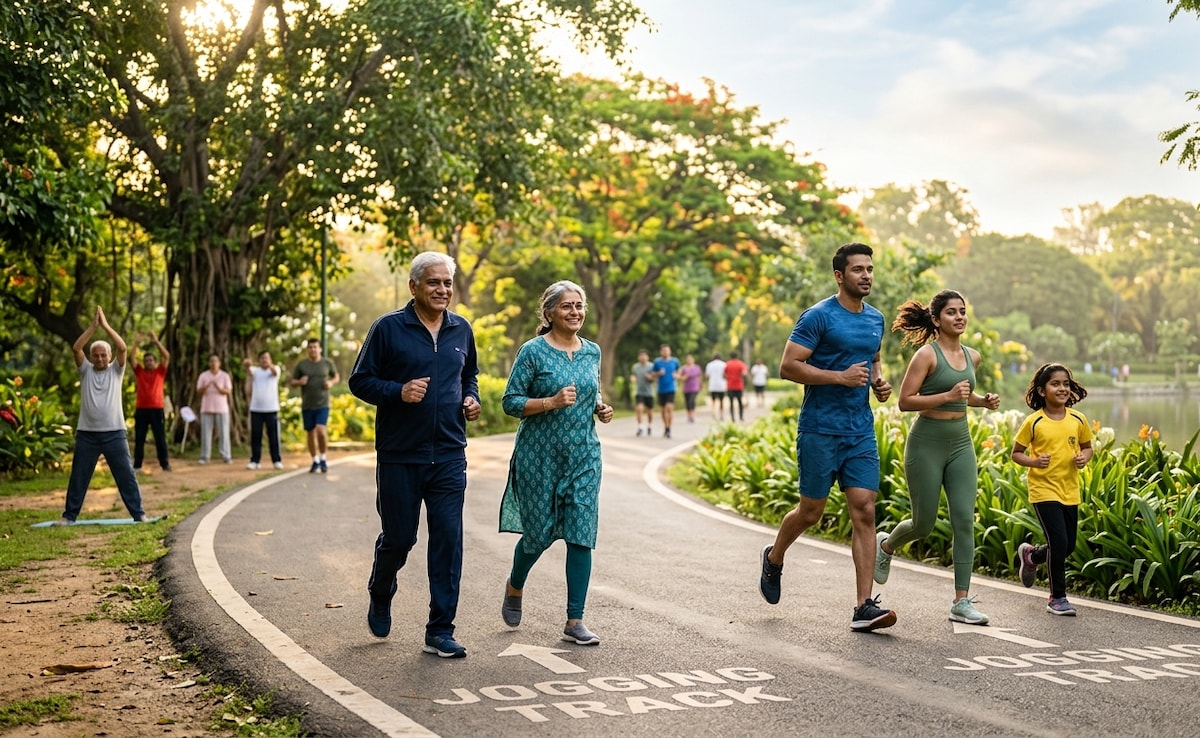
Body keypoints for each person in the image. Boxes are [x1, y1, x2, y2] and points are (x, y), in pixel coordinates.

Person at [347, 251, 481, 659]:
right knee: (401, 538)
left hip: (449, 455)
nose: (442, 290)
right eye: (433, 283)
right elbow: (360, 380)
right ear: (414, 286)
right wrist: (397, 391)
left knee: (447, 541)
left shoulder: (461, 329)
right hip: (400, 454)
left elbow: (468, 374)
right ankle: (381, 586)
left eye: (447, 283)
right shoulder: (388, 328)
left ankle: (440, 629)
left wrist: (472, 397)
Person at [758, 242, 896, 632]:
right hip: (819, 428)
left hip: (859, 431)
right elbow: (788, 366)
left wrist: (878, 383)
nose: (866, 275)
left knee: (865, 509)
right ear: (840, 275)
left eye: (869, 269)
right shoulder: (818, 317)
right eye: (858, 270)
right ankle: (775, 557)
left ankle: (863, 606)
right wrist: (839, 377)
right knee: (811, 512)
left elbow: (873, 358)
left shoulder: (876, 319)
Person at [873, 290, 1001, 625]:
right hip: (926, 443)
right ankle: (886, 546)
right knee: (924, 524)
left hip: (960, 442)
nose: (959, 317)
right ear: (936, 319)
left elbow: (964, 395)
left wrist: (981, 401)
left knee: (963, 520)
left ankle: (961, 601)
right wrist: (947, 395)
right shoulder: (926, 356)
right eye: (951, 313)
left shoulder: (972, 357)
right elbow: (905, 401)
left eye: (962, 312)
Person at [500, 280, 614, 646]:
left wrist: (600, 406)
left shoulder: (592, 352)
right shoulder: (532, 352)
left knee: (581, 534)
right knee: (537, 536)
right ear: (549, 313)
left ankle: (574, 620)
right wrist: (549, 402)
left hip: (583, 456)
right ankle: (515, 585)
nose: (575, 312)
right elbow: (510, 402)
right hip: (539, 458)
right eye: (567, 306)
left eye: (579, 306)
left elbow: (592, 391)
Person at [1011, 363, 1094, 616]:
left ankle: (1032, 556)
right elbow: (1016, 454)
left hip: (1069, 489)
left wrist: (1084, 458)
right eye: (1055, 384)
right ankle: (1057, 597)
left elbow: (1087, 446)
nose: (1062, 388)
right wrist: (1034, 462)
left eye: (1066, 384)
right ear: (1042, 390)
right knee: (1058, 541)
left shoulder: (1078, 419)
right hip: (1043, 490)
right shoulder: (1033, 422)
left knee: (1067, 546)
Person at [57, 306, 148, 524]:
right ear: (91, 357)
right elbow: (76, 348)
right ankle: (69, 516)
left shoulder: (116, 371)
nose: (99, 359)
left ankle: (139, 514)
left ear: (109, 357)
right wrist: (93, 327)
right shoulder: (85, 370)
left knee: (126, 475)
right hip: (87, 434)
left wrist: (106, 326)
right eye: (95, 355)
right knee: (79, 476)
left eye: (103, 355)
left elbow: (123, 348)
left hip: (115, 433)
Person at [289, 337, 340, 473]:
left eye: (315, 347)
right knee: (310, 433)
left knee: (320, 430)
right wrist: (300, 382)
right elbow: (292, 382)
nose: (313, 349)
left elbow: (336, 376)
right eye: (310, 347)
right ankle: (315, 460)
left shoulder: (327, 363)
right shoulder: (302, 365)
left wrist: (331, 383)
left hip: (323, 403)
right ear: (308, 350)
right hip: (307, 404)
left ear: (320, 349)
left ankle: (323, 458)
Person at [131, 332, 172, 473]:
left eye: (151, 360)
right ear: (144, 362)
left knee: (160, 438)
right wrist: (136, 343)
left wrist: (156, 342)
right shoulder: (140, 372)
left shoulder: (160, 372)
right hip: (141, 409)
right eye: (146, 360)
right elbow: (131, 358)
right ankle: (137, 465)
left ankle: (165, 464)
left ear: (155, 362)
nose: (149, 362)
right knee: (139, 438)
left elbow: (166, 356)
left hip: (156, 409)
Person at [243, 351, 284, 470]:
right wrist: (247, 365)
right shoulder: (256, 371)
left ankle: (276, 460)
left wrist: (269, 365)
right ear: (258, 360)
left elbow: (275, 372)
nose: (264, 360)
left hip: (271, 409)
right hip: (256, 409)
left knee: (273, 436)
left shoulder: (275, 369)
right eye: (262, 358)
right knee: (256, 435)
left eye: (266, 358)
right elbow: (249, 370)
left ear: (270, 359)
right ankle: (255, 460)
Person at [194, 354, 233, 465]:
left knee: (224, 433)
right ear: (209, 363)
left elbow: (228, 391)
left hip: (222, 408)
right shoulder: (203, 375)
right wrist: (206, 386)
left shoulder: (224, 376)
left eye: (215, 361)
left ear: (219, 363)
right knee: (206, 433)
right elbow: (198, 391)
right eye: (211, 361)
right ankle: (205, 456)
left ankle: (226, 455)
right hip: (206, 408)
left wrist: (218, 388)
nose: (213, 363)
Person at [652, 344, 680, 438]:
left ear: (670, 351)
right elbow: (653, 374)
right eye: (663, 351)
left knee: (669, 408)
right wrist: (658, 373)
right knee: (663, 410)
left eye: (667, 350)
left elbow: (679, 372)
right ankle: (666, 427)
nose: (665, 352)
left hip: (671, 388)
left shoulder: (675, 361)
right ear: (661, 352)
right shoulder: (657, 362)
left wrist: (676, 376)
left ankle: (669, 429)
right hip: (661, 389)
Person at [630, 349, 656, 437]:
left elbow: (654, 378)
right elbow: (633, 375)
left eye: (644, 356)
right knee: (639, 408)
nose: (643, 357)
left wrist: (650, 377)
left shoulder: (652, 366)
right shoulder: (636, 367)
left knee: (650, 411)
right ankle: (640, 427)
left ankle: (650, 425)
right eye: (641, 356)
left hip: (649, 392)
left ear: (647, 357)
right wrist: (633, 378)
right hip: (639, 392)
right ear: (638, 357)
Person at [678, 354, 703, 423]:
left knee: (692, 401)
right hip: (686, 388)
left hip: (694, 387)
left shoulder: (697, 367)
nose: (689, 361)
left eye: (690, 359)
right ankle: (688, 415)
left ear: (693, 360)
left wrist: (700, 384)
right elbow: (679, 376)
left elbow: (699, 376)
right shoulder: (683, 368)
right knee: (687, 402)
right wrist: (683, 377)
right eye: (688, 359)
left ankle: (692, 415)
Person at [724, 350, 748, 421]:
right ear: (737, 356)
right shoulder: (740, 364)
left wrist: (729, 377)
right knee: (740, 401)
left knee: (731, 402)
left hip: (730, 386)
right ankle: (741, 416)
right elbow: (744, 373)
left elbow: (724, 374)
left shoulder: (727, 364)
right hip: (738, 385)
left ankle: (732, 417)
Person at [705, 353, 728, 421]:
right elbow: (726, 374)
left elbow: (707, 375)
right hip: (721, 385)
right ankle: (721, 414)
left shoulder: (710, 364)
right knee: (721, 400)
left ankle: (713, 413)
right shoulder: (724, 364)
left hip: (713, 385)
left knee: (713, 400)